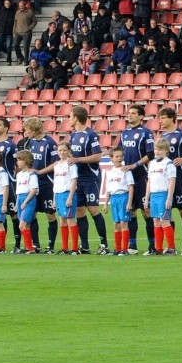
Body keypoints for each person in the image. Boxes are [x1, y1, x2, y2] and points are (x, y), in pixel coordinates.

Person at [67, 105, 109, 254]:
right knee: (79, 210)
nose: (69, 119)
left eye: (70, 116)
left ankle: (104, 244)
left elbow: (97, 156)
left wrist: (78, 159)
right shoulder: (73, 135)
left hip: (90, 177)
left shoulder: (91, 135)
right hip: (77, 178)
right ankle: (84, 246)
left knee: (93, 209)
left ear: (76, 118)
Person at [158, 107, 182, 256]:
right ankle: (171, 247)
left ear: (172, 119)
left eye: (163, 118)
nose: (160, 121)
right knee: (167, 213)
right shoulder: (162, 136)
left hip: (180, 177)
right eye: (160, 118)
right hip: (165, 180)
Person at [119, 105, 155, 254]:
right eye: (129, 113)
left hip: (141, 176)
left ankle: (152, 245)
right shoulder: (124, 133)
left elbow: (151, 154)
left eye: (133, 113)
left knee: (146, 211)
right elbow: (119, 151)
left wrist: (135, 165)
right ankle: (132, 246)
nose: (130, 115)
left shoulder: (146, 132)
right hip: (128, 178)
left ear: (141, 117)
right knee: (131, 212)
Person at [22, 117, 60, 253]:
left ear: (34, 129)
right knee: (32, 214)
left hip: (47, 183)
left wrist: (40, 172)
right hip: (34, 184)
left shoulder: (49, 143)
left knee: (50, 214)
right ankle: (35, 244)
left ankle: (51, 245)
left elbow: (56, 163)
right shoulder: (31, 142)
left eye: (27, 130)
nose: (25, 132)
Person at [0, 117, 22, 253]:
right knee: (0, 215)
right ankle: (0, 246)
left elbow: (18, 165)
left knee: (14, 214)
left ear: (6, 128)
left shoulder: (11, 145)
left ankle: (17, 244)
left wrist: (15, 180)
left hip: (9, 183)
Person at [145, 138, 177, 256]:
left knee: (164, 220)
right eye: (156, 149)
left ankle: (171, 248)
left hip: (163, 194)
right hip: (153, 195)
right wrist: (147, 198)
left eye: (160, 149)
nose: (157, 152)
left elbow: (172, 181)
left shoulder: (169, 164)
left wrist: (169, 198)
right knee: (156, 221)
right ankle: (158, 248)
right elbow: (149, 181)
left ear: (166, 150)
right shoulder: (152, 163)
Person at [102, 147, 134, 256]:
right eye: (117, 156)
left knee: (123, 223)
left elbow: (130, 188)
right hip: (114, 199)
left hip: (123, 197)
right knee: (116, 224)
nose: (119, 158)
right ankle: (117, 249)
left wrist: (129, 202)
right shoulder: (109, 172)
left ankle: (124, 249)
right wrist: (106, 203)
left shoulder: (126, 171)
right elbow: (108, 189)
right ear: (111, 158)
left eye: (121, 156)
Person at [53, 142, 79, 255]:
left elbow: (74, 181)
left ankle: (74, 248)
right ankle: (64, 247)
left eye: (64, 150)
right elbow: (56, 183)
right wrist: (54, 199)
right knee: (62, 221)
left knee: (70, 220)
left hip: (67, 193)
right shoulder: (56, 165)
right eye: (60, 150)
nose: (62, 152)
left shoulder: (71, 165)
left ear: (68, 151)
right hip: (58, 195)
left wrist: (70, 197)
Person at [14, 150, 40, 254]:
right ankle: (28, 246)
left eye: (19, 160)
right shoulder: (19, 174)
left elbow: (34, 189)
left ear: (26, 160)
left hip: (28, 199)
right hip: (20, 198)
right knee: (26, 225)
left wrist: (26, 201)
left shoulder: (32, 175)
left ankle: (30, 248)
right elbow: (18, 191)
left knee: (22, 225)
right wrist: (17, 203)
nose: (17, 162)